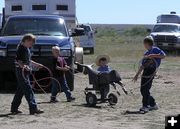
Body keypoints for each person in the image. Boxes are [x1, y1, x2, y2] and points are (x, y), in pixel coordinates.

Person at [11, 34, 44, 115]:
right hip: (21, 71)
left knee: (21, 90)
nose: (32, 45)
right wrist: (24, 67)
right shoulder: (21, 49)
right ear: (26, 40)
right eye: (31, 43)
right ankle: (33, 108)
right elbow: (18, 61)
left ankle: (14, 108)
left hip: (25, 72)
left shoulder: (26, 48)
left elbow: (28, 61)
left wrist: (36, 64)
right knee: (28, 89)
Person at [133, 36, 166, 114]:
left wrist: (153, 56)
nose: (144, 45)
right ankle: (153, 104)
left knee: (145, 89)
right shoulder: (146, 53)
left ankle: (145, 106)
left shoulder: (155, 49)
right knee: (142, 90)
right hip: (145, 72)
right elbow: (143, 65)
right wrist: (137, 74)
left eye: (144, 43)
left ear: (147, 43)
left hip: (151, 72)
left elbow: (163, 56)